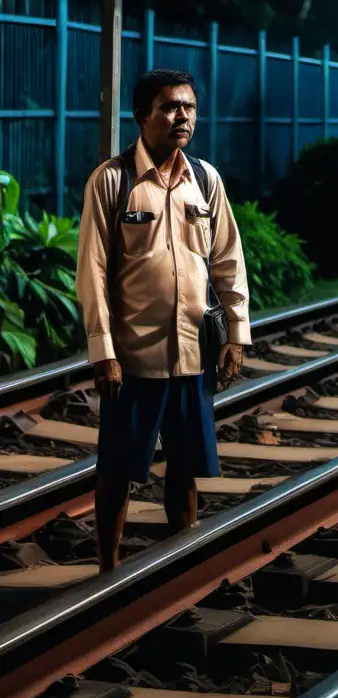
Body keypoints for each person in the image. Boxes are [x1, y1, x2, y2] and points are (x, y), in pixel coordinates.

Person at [76, 68, 251, 572]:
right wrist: (103, 350)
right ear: (142, 116)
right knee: (118, 469)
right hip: (134, 358)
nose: (183, 117)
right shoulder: (113, 180)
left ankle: (181, 572)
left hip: (193, 352)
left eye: (190, 107)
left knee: (187, 468)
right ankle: (107, 568)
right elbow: (92, 269)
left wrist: (236, 335)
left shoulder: (205, 179)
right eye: (171, 107)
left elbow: (227, 259)